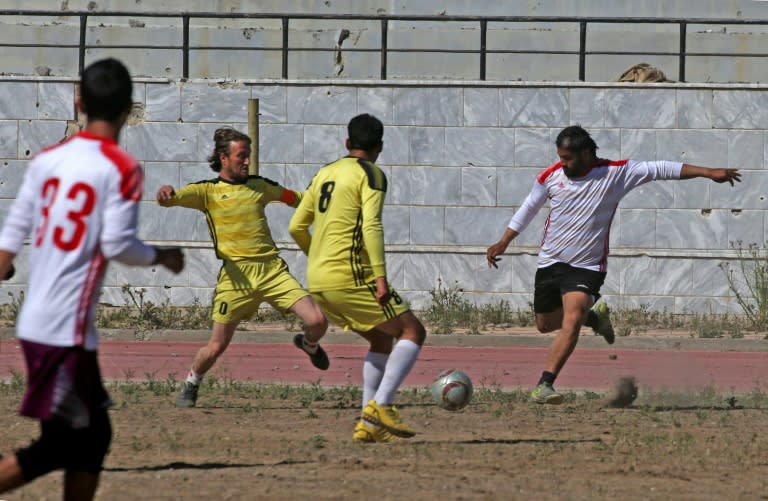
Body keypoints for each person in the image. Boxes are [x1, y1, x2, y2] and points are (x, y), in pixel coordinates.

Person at [0, 58, 185, 501]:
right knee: (65, 444)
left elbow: (11, 237)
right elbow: (119, 245)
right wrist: (165, 254)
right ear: (129, 110)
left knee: (89, 436)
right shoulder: (120, 166)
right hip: (62, 327)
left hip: (42, 323)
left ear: (78, 101)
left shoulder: (48, 160)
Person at [486, 125, 741, 405]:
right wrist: (503, 241)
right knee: (545, 325)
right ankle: (594, 319)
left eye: (568, 158)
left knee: (571, 318)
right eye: (560, 157)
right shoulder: (551, 176)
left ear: (586, 154)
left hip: (587, 265)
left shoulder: (615, 173)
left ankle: (544, 384)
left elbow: (660, 168)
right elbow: (528, 208)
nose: (563, 163)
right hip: (550, 262)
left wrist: (708, 172)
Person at [156, 127, 329, 408]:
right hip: (235, 279)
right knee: (216, 347)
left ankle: (308, 345)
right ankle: (192, 382)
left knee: (318, 322)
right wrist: (164, 193)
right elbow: (170, 198)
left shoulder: (259, 186)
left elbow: (295, 199)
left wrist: (321, 201)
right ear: (223, 158)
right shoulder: (206, 192)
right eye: (242, 156)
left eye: (248, 156)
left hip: (272, 271)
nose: (247, 162)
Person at [289, 113, 427, 443]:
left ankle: (369, 425)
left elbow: (296, 226)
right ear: (380, 146)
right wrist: (380, 277)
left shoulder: (324, 173)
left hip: (318, 278)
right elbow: (371, 226)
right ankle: (381, 406)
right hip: (351, 274)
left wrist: (318, 257)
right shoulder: (372, 174)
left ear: (348, 143)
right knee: (413, 330)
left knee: (381, 339)